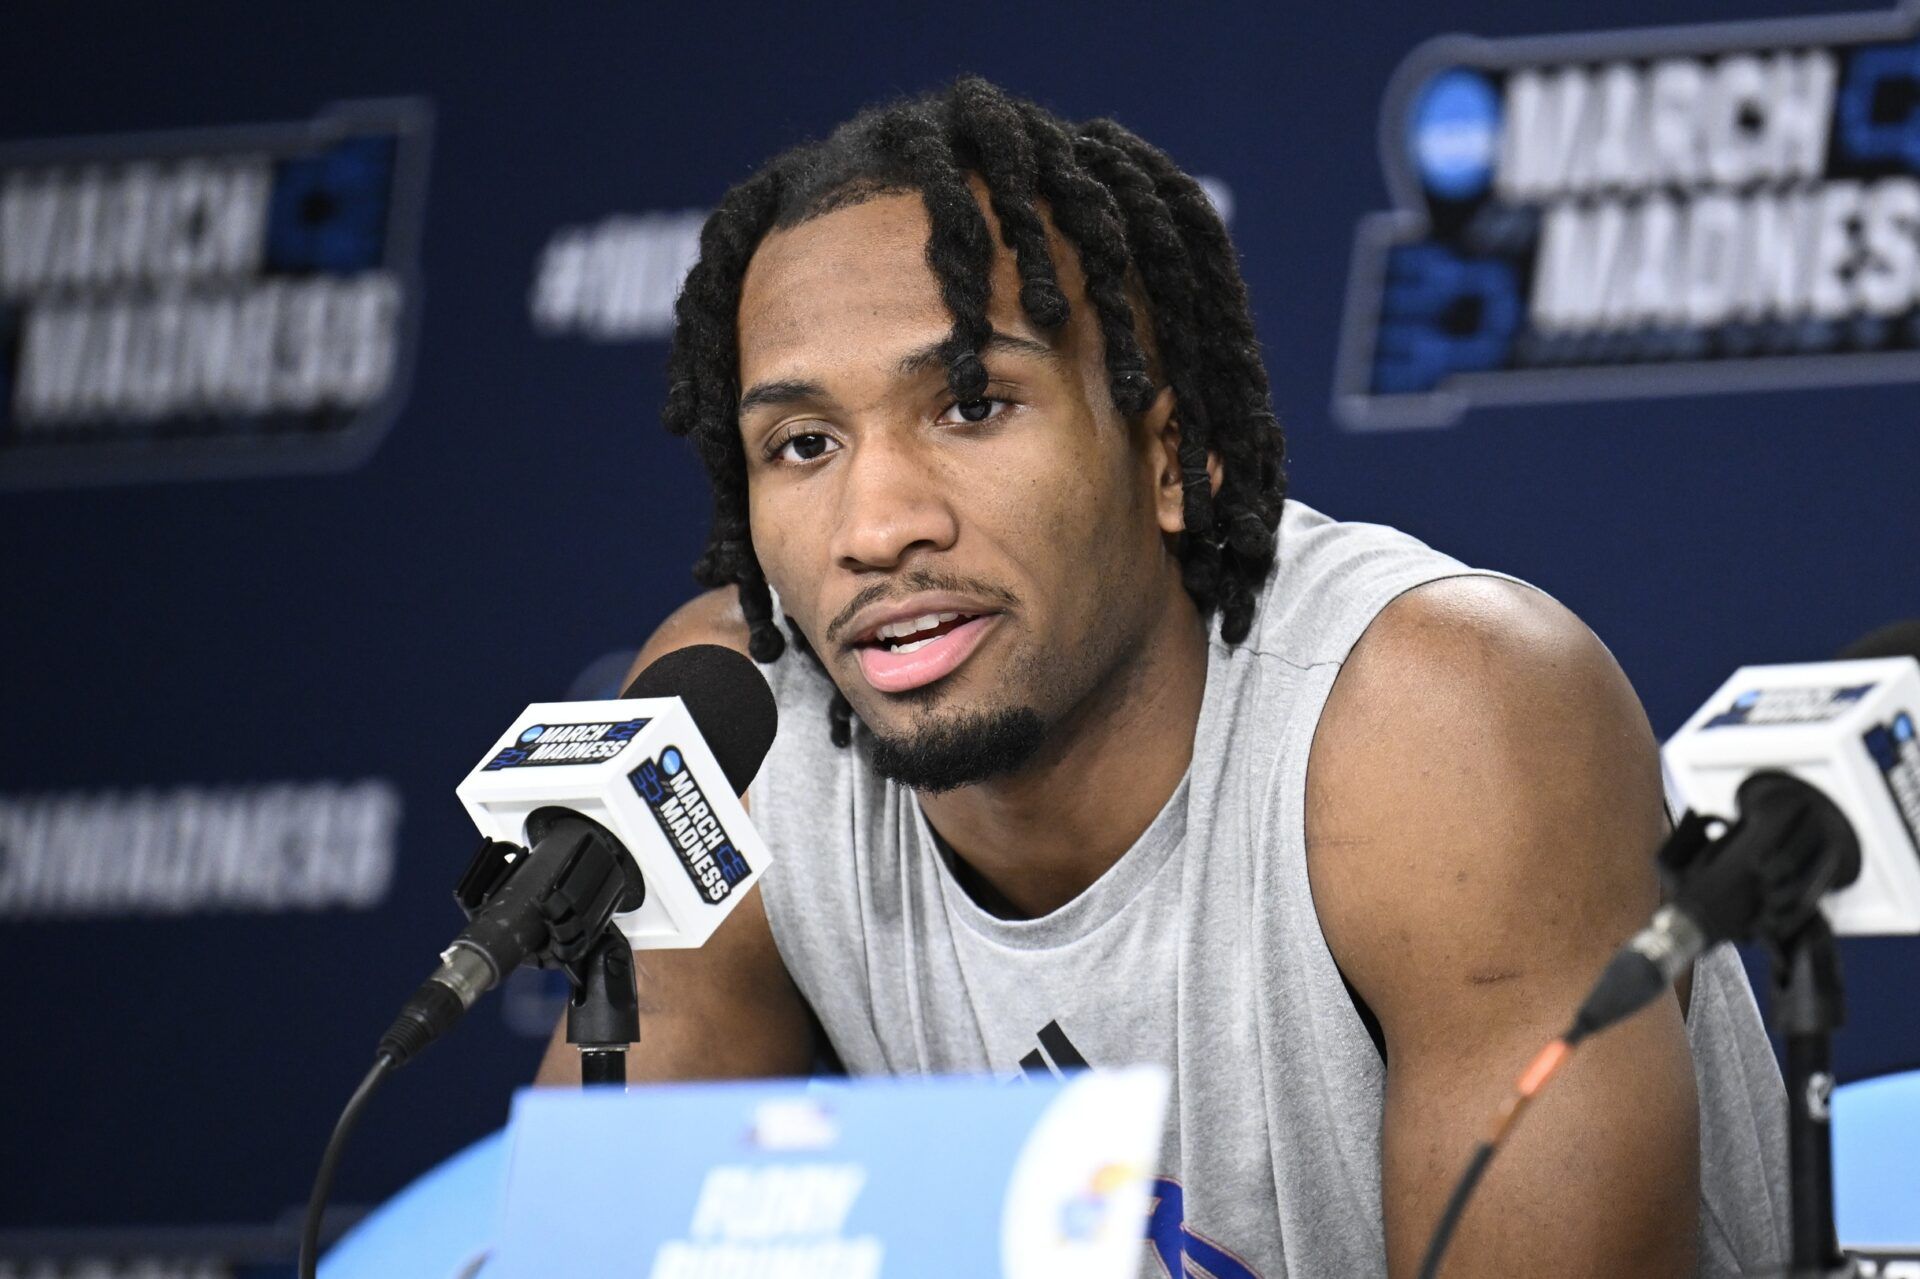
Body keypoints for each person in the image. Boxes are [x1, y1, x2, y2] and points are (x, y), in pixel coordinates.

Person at [536, 77, 1787, 1277]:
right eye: (802, 444)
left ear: (1172, 456)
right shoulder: (735, 745)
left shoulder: (1444, 724)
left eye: (973, 405)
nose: (875, 526)